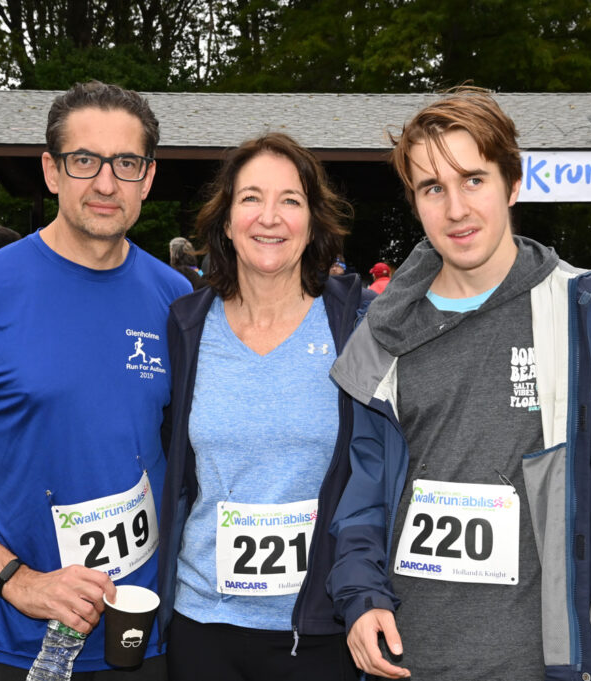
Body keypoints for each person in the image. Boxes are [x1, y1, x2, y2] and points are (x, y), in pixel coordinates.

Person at [326, 88, 591, 680]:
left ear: (513, 184)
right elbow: (364, 487)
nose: (456, 208)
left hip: (534, 662)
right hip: (407, 658)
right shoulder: (381, 332)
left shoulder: (585, 314)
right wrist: (360, 594)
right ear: (415, 202)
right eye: (432, 188)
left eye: (473, 180)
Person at [0, 80, 191, 680]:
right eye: (85, 161)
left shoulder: (175, 299)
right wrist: (17, 580)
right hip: (10, 639)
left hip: (138, 637)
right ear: (52, 171)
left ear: (148, 178)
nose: (106, 183)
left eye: (126, 163)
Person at [158, 133, 368, 681]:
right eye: (251, 198)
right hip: (203, 623)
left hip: (322, 628)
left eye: (290, 200)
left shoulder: (356, 326)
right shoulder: (186, 328)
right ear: (226, 221)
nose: (269, 217)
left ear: (312, 223)